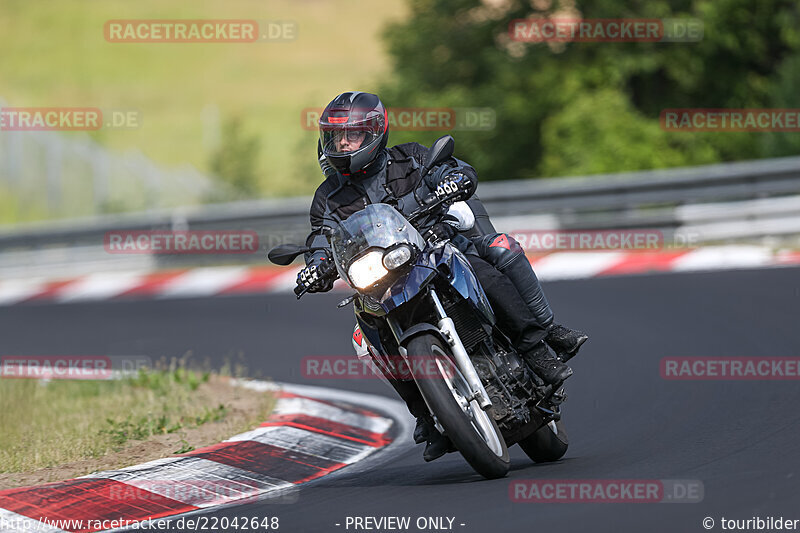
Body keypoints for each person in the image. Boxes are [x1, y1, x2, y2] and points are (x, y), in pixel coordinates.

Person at [298, 91, 587, 461]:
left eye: (350, 135)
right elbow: (321, 238)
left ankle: (538, 346)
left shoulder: (412, 158)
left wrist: (455, 180)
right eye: (336, 137)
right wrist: (315, 265)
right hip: (383, 281)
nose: (342, 144)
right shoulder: (328, 198)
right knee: (364, 335)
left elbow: (453, 167)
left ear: (374, 132)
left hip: (437, 247)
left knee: (493, 258)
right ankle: (425, 415)